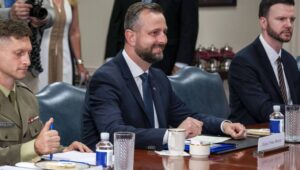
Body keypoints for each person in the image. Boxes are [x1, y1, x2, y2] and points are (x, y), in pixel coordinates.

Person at [82, 2, 246, 151]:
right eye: (154, 33)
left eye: (164, 32)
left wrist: (224, 126)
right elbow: (114, 132)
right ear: (131, 37)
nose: (163, 40)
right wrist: (172, 135)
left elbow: (189, 117)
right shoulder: (106, 78)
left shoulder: (158, 77)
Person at [0, 19, 91, 165]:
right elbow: (34, 147)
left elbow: (38, 143)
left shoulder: (26, 96)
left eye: (28, 53)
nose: (27, 61)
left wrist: (64, 151)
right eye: (19, 53)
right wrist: (35, 148)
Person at [228, 0, 300, 125]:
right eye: (281, 19)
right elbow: (264, 110)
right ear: (263, 22)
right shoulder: (243, 62)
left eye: (292, 19)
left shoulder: (289, 60)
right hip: (255, 138)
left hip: (290, 134)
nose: (289, 25)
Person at [104, 0, 198, 75]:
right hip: (127, 62)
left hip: (166, 61)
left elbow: (189, 26)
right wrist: (110, 58)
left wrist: (181, 64)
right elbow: (115, 23)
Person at [37, 0, 89, 91]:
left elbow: (74, 32)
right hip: (41, 55)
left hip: (65, 56)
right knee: (40, 93)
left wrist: (80, 63)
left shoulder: (71, 2)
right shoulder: (40, 1)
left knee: (64, 92)